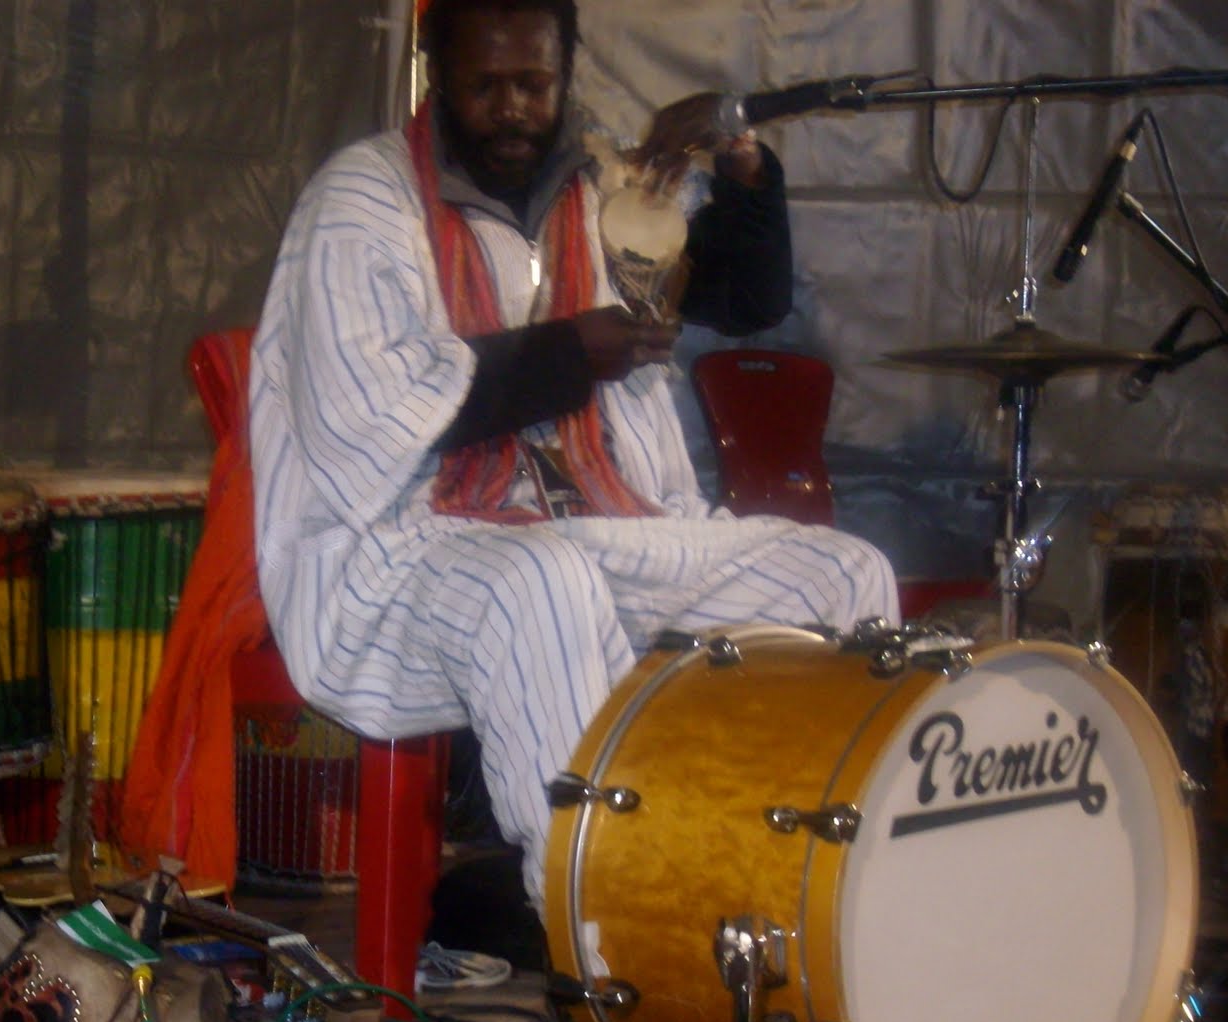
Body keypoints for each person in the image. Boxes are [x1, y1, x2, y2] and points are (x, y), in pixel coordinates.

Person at [249, 0, 899, 916]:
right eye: (485, 86)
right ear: (437, 71)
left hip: (603, 525)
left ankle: (781, 903)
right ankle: (600, 934)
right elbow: (368, 419)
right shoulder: (362, 201)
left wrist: (742, 167)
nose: (512, 109)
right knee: (542, 587)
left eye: (534, 84)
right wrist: (567, 354)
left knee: (842, 576)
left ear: (566, 72)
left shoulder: (599, 191)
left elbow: (745, 300)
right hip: (405, 552)